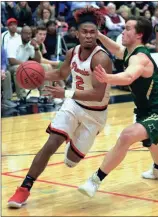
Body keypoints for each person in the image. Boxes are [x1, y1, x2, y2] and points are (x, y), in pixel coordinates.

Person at [8, 7, 112, 208]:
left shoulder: (101, 58)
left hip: (95, 114)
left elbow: (98, 94)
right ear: (77, 33)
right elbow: (61, 74)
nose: (89, 36)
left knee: (71, 162)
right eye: (85, 32)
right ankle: (24, 188)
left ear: (97, 33)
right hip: (73, 105)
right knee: (51, 142)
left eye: (93, 32)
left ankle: (71, 137)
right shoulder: (72, 52)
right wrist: (36, 73)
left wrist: (64, 93)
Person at [78, 16, 158, 198]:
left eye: (127, 28)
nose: (123, 31)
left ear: (139, 34)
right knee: (151, 142)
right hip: (144, 111)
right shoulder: (130, 52)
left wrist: (108, 78)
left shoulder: (141, 58)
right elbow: (116, 49)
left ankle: (95, 180)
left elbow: (129, 77)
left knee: (126, 135)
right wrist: (98, 35)